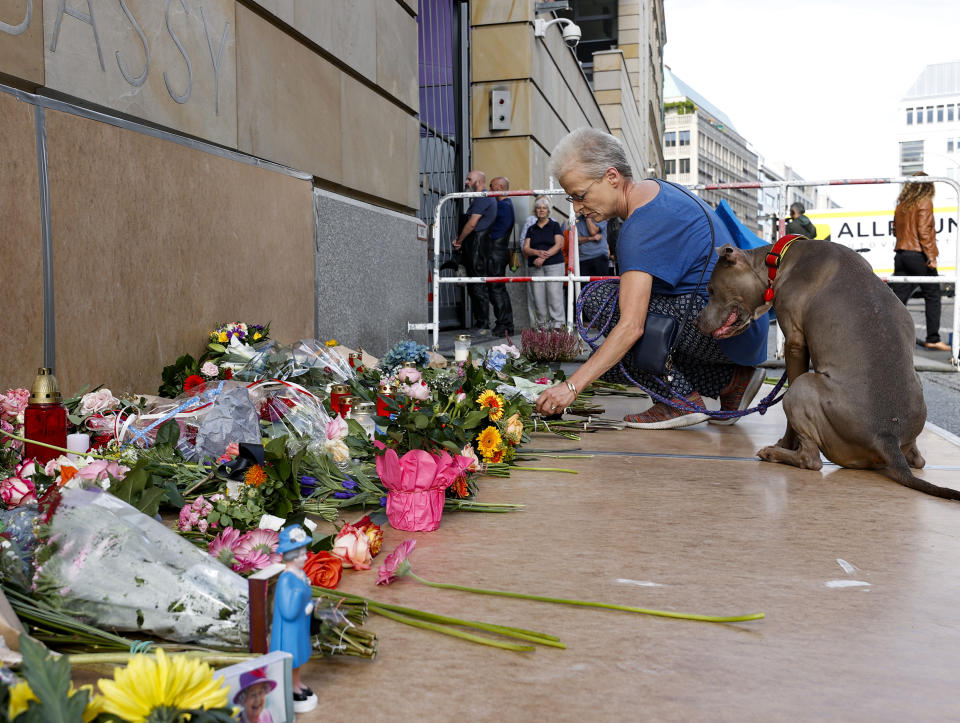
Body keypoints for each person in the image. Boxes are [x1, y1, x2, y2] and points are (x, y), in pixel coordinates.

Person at [534, 127, 768, 429]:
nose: (577, 209)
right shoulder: (659, 191)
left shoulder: (640, 225)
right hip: (742, 332)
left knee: (597, 301)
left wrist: (571, 387)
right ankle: (731, 382)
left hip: (725, 329)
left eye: (580, 196)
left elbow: (632, 326)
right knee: (612, 360)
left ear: (612, 177)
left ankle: (677, 401)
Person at [890, 172, 950, 351]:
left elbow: (895, 231)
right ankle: (933, 338)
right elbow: (924, 231)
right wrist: (931, 256)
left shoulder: (902, 205)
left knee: (898, 299)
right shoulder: (924, 202)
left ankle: (891, 337)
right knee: (932, 295)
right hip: (918, 255)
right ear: (926, 185)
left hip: (901, 255)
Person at [270, 524, 317, 713]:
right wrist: (305, 606)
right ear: (290, 556)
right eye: (300, 554)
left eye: (304, 552)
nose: (304, 557)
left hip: (299, 627)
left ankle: (297, 683)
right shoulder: (286, 579)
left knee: (298, 657)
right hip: (289, 629)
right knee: (291, 658)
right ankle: (291, 687)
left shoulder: (300, 574)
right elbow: (288, 610)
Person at [452, 170, 498, 334]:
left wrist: (459, 241)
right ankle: (481, 323)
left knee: (477, 286)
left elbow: (472, 224)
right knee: (474, 286)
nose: (466, 182)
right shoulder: (481, 198)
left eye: (469, 179)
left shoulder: (482, 198)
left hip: (477, 247)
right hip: (475, 246)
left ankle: (482, 324)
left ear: (479, 181)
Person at [523, 196, 566, 328]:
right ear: (535, 211)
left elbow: (559, 244)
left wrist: (542, 257)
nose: (541, 210)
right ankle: (541, 325)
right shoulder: (531, 228)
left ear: (548, 211)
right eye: (538, 208)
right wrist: (536, 253)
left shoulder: (554, 225)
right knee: (538, 297)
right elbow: (525, 248)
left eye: (544, 208)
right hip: (535, 266)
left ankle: (558, 325)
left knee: (554, 295)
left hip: (554, 265)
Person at [486, 176, 516, 335]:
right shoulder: (507, 205)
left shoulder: (501, 206)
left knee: (496, 289)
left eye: (491, 187)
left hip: (496, 253)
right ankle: (506, 324)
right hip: (500, 252)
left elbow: (493, 233)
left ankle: (504, 324)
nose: (490, 190)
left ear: (499, 187)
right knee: (499, 289)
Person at [575, 213, 610, 278]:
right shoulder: (578, 220)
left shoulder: (601, 216)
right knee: (585, 287)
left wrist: (588, 217)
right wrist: (591, 238)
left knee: (600, 286)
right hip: (583, 259)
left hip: (599, 256)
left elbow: (593, 231)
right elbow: (576, 240)